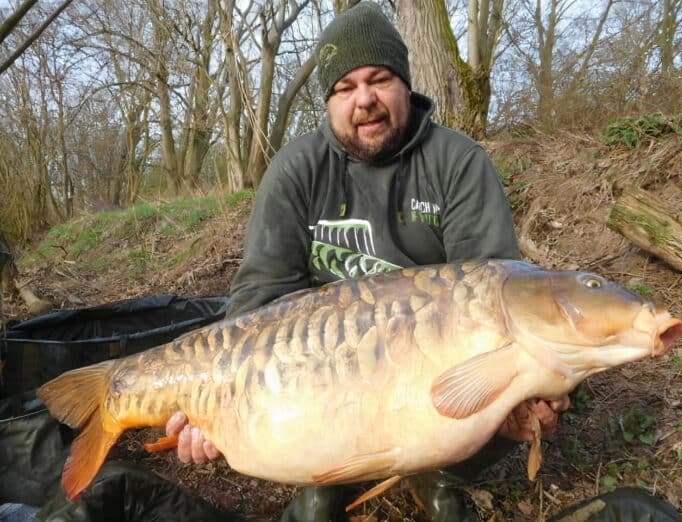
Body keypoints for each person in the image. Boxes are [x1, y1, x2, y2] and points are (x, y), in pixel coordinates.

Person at [165, 2, 570, 521]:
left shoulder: (459, 162)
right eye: (345, 87)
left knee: (520, 371)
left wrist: (526, 392)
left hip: (435, 375)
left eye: (379, 80)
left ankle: (438, 471)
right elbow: (258, 299)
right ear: (329, 100)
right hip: (328, 376)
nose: (365, 101)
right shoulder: (296, 169)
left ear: (404, 83)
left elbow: (499, 301)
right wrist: (213, 398)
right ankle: (324, 477)